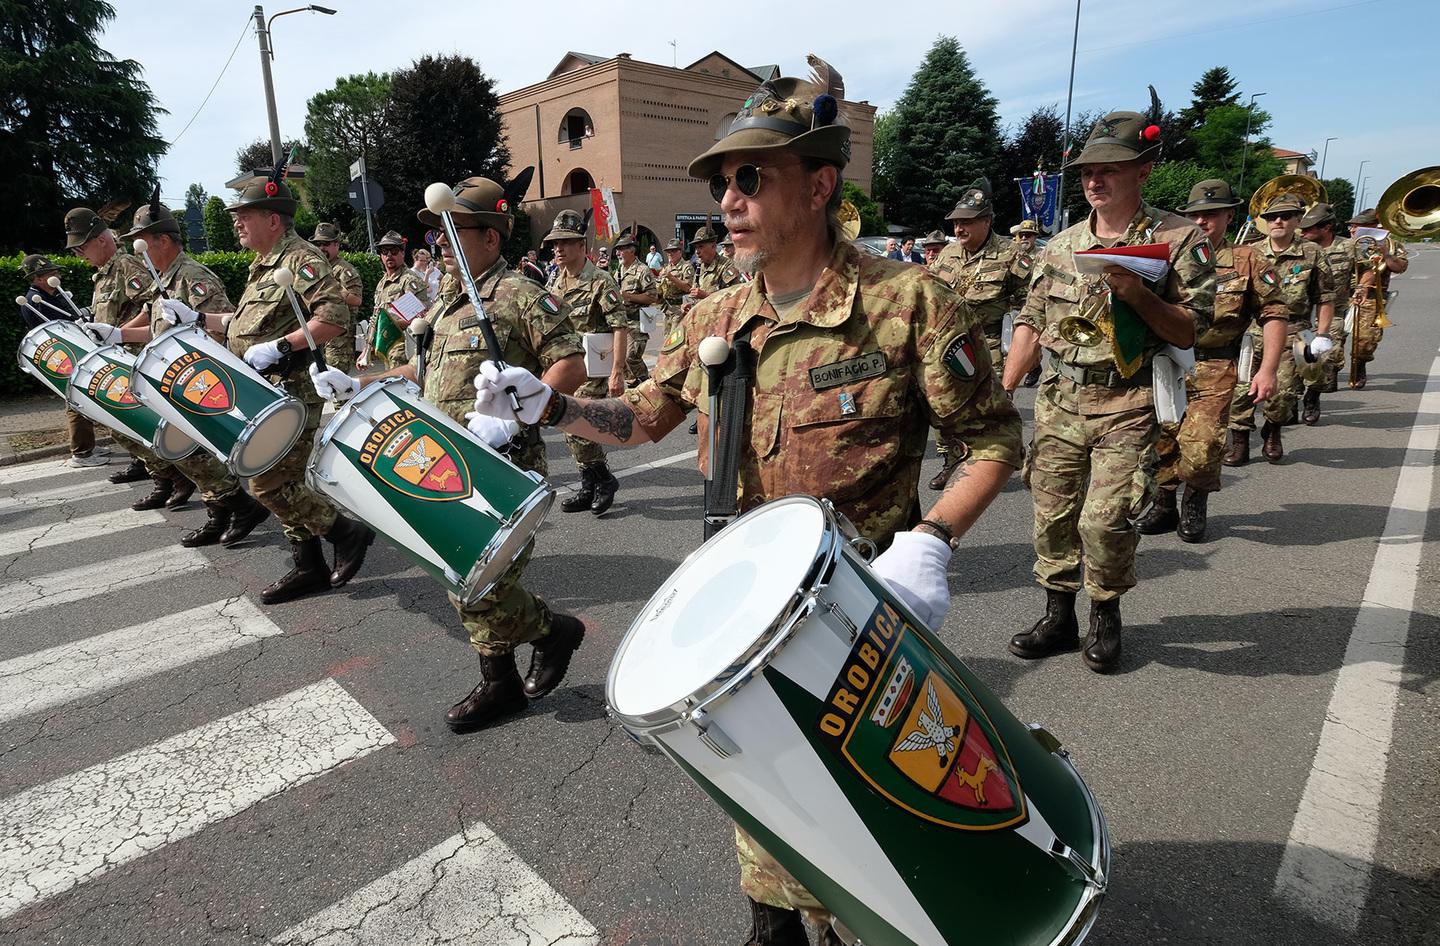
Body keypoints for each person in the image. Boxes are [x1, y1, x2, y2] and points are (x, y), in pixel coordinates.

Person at [468, 63, 1022, 946]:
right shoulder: (716, 313)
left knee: (868, 835)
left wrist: (932, 541)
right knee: (767, 816)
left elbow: (991, 442)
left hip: (865, 613)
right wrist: (556, 405)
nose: (727, 198)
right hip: (748, 612)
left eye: (750, 178)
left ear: (820, 183)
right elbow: (645, 416)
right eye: (721, 182)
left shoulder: (907, 302)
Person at [309, 176, 590, 732]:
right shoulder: (446, 303)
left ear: (488, 236)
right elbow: (425, 372)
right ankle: (535, 649)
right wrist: (362, 383)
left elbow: (571, 364)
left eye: (450, 230)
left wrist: (510, 413)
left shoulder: (521, 294)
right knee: (466, 575)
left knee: (479, 583)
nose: (439, 242)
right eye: (439, 233)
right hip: (440, 456)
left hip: (501, 462)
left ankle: (524, 659)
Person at [1002, 109, 1214, 673]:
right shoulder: (1060, 245)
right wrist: (1003, 389)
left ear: (1144, 171)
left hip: (1128, 400)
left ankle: (1105, 613)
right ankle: (1058, 614)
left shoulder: (1176, 239)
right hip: (1059, 399)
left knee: (1104, 519)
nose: (1095, 180)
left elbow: (1194, 328)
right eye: (1088, 170)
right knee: (1051, 514)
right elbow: (1030, 318)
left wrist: (1139, 296)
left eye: (1111, 170)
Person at [212, 171, 375, 604]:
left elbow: (334, 317)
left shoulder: (300, 260)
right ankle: (309, 566)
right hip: (265, 394)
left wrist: (280, 346)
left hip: (294, 391)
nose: (237, 223)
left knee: (267, 483)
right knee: (277, 479)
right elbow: (247, 324)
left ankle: (346, 531)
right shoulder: (263, 265)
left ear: (274, 219)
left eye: (245, 215)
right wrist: (196, 321)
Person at [82, 200, 272, 547]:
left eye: (143, 242)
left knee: (193, 451)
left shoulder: (193, 277)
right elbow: (156, 332)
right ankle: (221, 513)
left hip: (196, 382)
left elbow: (221, 330)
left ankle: (241, 506)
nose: (138, 253)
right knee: (184, 451)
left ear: (164, 241)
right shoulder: (161, 281)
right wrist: (118, 334)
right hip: (171, 381)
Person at [1138, 180, 1286, 541]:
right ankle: (1164, 503)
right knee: (1161, 440)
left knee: (1202, 447)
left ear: (1229, 216)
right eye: (1195, 215)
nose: (1202, 222)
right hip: (1165, 363)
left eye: (1211, 214)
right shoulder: (1167, 256)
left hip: (1215, 366)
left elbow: (1275, 312)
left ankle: (1195, 499)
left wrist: (1267, 370)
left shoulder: (1247, 260)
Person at [63, 206, 185, 498]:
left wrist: (120, 333)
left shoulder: (127, 266)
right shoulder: (103, 274)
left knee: (141, 424)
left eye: (82, 248)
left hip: (134, 356)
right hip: (116, 359)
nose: (80, 256)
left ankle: (174, 480)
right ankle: (163, 480)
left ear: (101, 240)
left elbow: (153, 305)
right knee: (123, 425)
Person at [927, 179, 1031, 489]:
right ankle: (951, 459)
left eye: (967, 222)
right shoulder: (947, 254)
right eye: (956, 222)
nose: (959, 228)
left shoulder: (1011, 255)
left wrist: (1022, 348)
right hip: (945, 345)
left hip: (988, 344)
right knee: (942, 404)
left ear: (987, 221)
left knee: (994, 408)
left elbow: (1031, 302)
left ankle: (1008, 453)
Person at [1223, 193, 1334, 463]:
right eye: (1272, 217)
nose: (1278, 221)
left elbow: (1326, 296)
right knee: (1239, 391)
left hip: (1295, 333)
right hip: (1250, 332)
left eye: (1285, 216)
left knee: (1282, 393)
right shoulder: (1251, 251)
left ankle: (1272, 431)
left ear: (1297, 220)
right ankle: (1239, 442)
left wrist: (1321, 335)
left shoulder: (1312, 253)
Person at [543, 210, 625, 514]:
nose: (558, 249)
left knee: (577, 423)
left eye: (565, 242)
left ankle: (604, 479)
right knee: (566, 424)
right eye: (554, 244)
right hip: (566, 365)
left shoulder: (601, 281)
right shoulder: (557, 282)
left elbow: (620, 325)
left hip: (593, 366)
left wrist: (617, 371)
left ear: (582, 244)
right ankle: (589, 483)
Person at [17, 254, 108, 468]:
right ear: (37, 278)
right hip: (63, 357)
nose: (57, 274)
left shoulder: (49, 295)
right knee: (76, 402)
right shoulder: (35, 301)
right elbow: (59, 328)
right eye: (51, 272)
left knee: (82, 399)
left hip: (69, 353)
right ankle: (81, 453)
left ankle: (87, 447)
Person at [1297, 203, 1355, 413]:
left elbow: (1366, 269)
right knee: (1295, 361)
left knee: (1324, 357)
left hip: (1333, 311)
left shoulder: (1349, 246)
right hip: (1299, 314)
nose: (1303, 233)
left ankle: (1312, 397)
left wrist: (1363, 288)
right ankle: (1288, 403)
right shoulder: (1297, 248)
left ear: (1326, 227)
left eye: (1308, 229)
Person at [1345, 207, 1409, 389]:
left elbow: (1400, 267)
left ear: (1373, 227)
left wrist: (1386, 254)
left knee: (1366, 341)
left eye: (1357, 226)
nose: (1352, 230)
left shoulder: (1391, 244)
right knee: (1332, 340)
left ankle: (1359, 364)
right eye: (1351, 227)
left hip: (1372, 296)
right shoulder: (1345, 244)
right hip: (1342, 295)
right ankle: (1330, 373)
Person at [369, 230, 431, 369]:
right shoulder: (382, 282)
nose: (389, 255)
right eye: (385, 252)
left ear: (402, 253)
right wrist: (367, 350)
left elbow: (423, 315)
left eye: (394, 251)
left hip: (405, 349)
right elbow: (376, 316)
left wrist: (391, 324)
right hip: (386, 346)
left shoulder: (410, 280)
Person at [311, 222, 363, 374]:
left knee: (337, 386)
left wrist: (330, 291)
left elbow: (356, 299)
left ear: (337, 245)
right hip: (317, 336)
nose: (321, 248)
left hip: (339, 341)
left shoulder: (345, 270)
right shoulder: (316, 269)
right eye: (318, 244)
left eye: (326, 244)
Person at [613, 234, 659, 386]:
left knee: (631, 357)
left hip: (638, 322)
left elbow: (652, 297)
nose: (618, 253)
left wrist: (629, 296)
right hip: (621, 322)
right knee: (620, 359)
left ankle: (648, 383)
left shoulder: (642, 270)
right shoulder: (619, 270)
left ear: (632, 251)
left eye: (621, 249)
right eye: (617, 250)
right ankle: (633, 385)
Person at [655, 238, 690, 337]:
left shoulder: (686, 267)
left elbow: (688, 287)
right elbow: (660, 289)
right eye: (668, 252)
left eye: (673, 251)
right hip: (667, 308)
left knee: (675, 339)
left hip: (679, 309)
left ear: (680, 252)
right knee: (666, 340)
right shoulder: (667, 268)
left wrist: (671, 277)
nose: (670, 254)